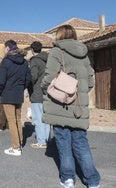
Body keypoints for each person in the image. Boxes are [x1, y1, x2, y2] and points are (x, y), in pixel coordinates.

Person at [41, 25, 100, 188]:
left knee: (63, 142)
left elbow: (49, 77)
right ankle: (93, 180)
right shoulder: (84, 53)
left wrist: (47, 88)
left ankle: (68, 178)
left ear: (59, 35)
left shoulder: (56, 51)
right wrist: (78, 92)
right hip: (79, 106)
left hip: (60, 106)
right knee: (81, 142)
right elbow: (90, 81)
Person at [0, 39, 31, 156]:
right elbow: (28, 78)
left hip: (8, 93)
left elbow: (1, 80)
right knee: (17, 119)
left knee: (11, 121)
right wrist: (21, 87)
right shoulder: (25, 62)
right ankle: (20, 141)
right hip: (18, 93)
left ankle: (16, 148)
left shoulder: (6, 61)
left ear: (7, 48)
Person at [28, 41, 50, 149]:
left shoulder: (35, 60)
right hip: (49, 92)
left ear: (32, 50)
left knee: (38, 118)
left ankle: (41, 141)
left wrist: (26, 85)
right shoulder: (49, 59)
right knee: (46, 118)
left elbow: (33, 76)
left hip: (37, 92)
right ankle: (47, 139)